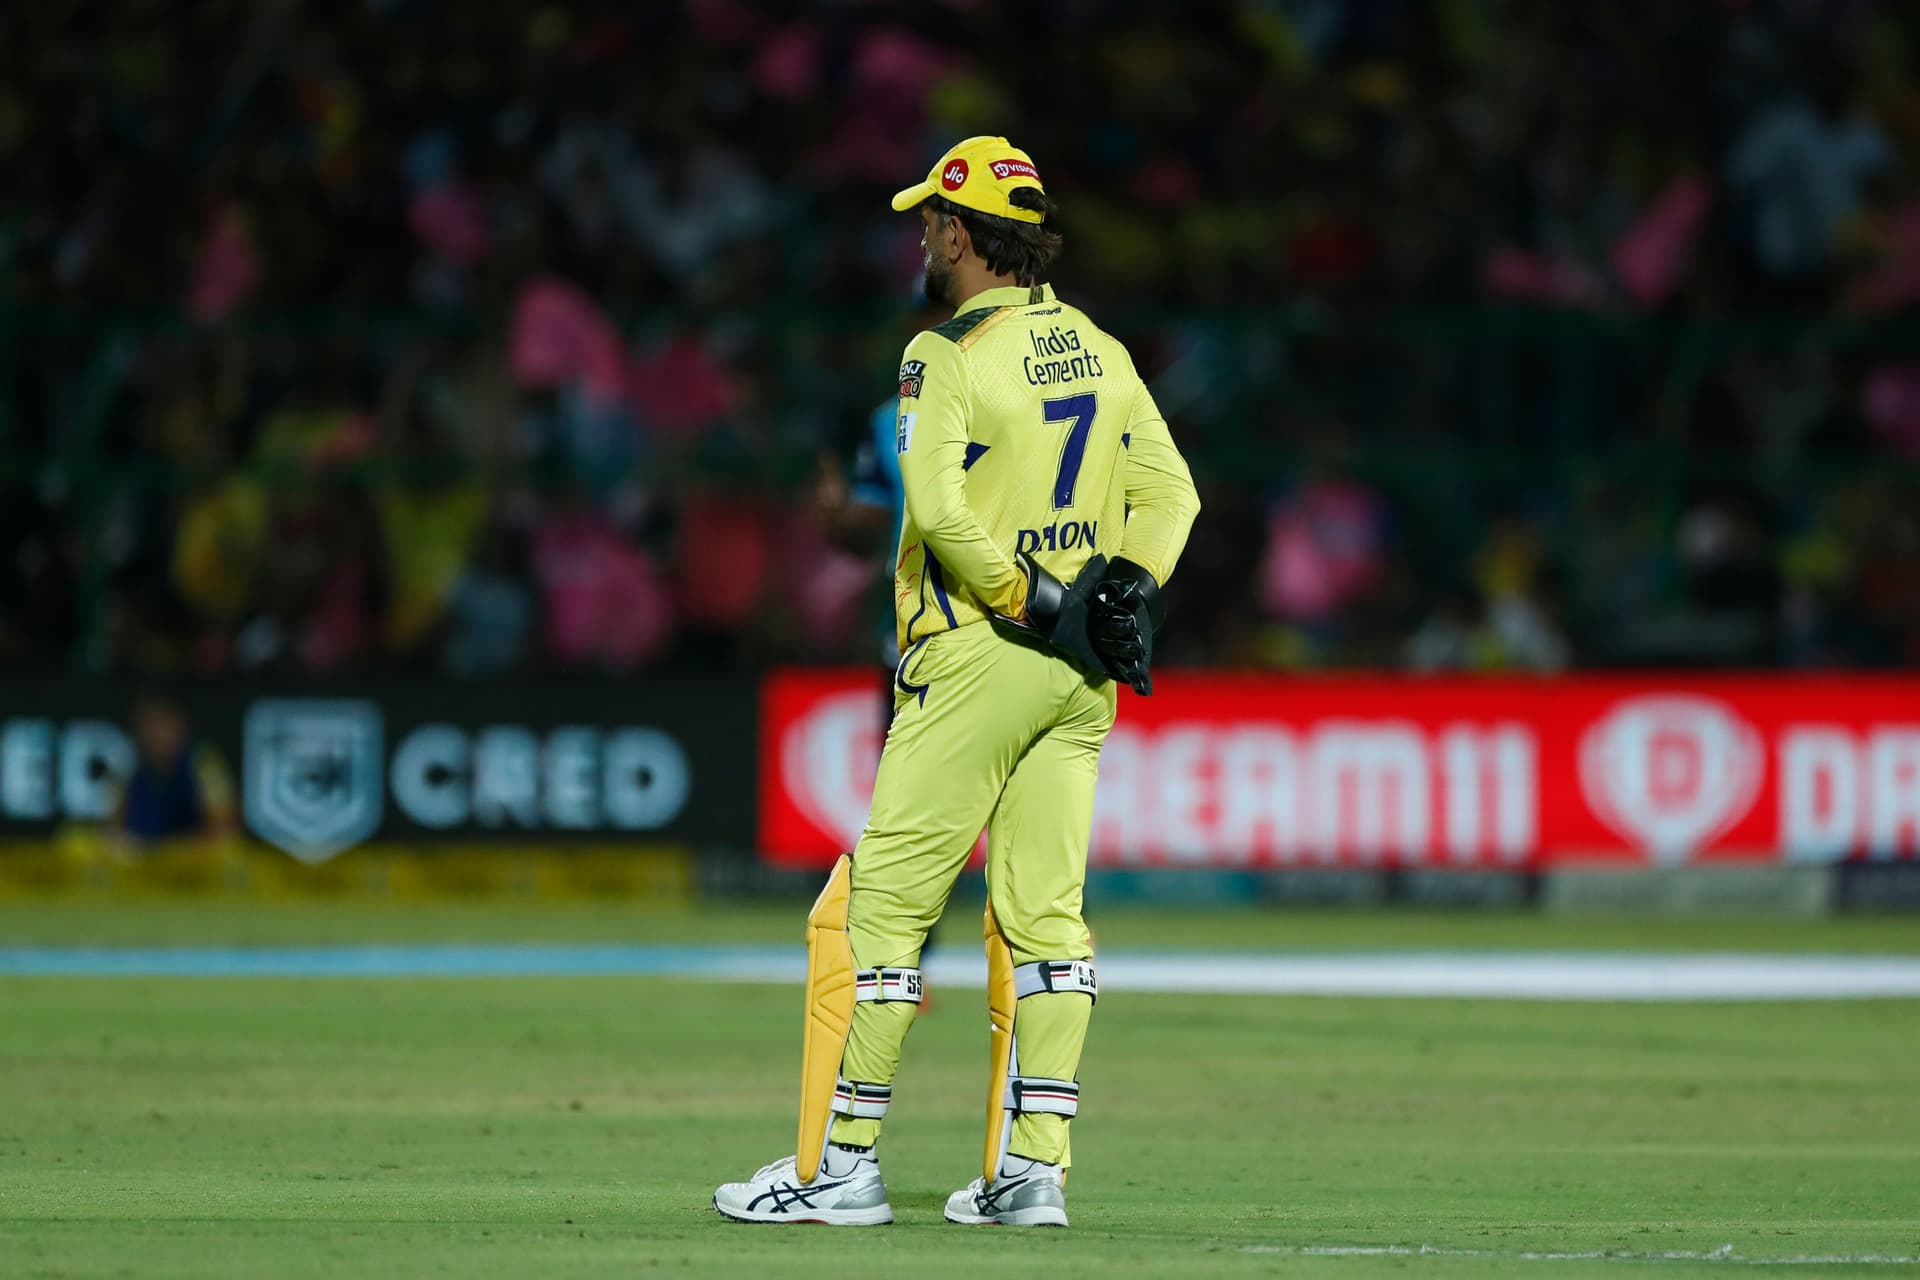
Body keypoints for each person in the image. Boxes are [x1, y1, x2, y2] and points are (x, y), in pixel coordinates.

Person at [714, 136, 1200, 1228]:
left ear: (967, 234)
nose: (923, 238)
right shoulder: (1100, 347)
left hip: (978, 652)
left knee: (884, 911)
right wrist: (1120, 595)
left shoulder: (941, 355)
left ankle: (843, 1166)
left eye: (931, 221)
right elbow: (1175, 495)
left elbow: (934, 511)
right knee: (1048, 920)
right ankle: (1034, 1172)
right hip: (1079, 677)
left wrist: (1031, 599)